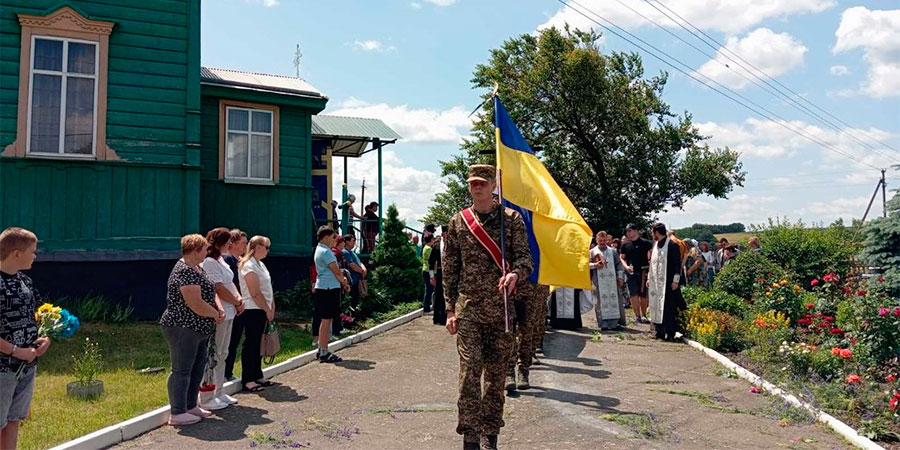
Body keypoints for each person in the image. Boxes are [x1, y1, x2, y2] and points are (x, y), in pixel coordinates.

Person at [442, 164, 533, 450]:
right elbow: (450, 268)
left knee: (495, 379)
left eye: (483, 182)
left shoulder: (511, 220)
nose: (477, 187)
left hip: (501, 311)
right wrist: (449, 310)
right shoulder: (459, 221)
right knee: (469, 374)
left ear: (495, 185)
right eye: (473, 183)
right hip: (469, 310)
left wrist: (515, 274)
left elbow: (526, 260)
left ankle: (490, 434)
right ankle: (470, 436)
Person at [160, 234, 223, 426]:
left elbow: (211, 290)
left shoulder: (197, 268)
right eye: (204, 249)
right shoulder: (184, 271)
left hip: (199, 327)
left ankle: (190, 405)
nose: (207, 252)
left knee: (197, 368)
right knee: (182, 369)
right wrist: (214, 314)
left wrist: (218, 308)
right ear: (195, 250)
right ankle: (178, 412)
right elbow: (195, 303)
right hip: (183, 327)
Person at [1, 228, 51, 448]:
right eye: (32, 251)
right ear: (16, 253)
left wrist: (45, 337)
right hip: (3, 367)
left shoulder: (25, 282)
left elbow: (38, 314)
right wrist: (16, 351)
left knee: (14, 420)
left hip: (27, 366)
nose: (35, 256)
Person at [199, 228, 244, 411]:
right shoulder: (210, 262)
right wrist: (235, 301)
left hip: (230, 311)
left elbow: (230, 282)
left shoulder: (221, 260)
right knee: (214, 353)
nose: (230, 245)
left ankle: (219, 391)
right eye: (227, 242)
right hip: (219, 312)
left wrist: (239, 299)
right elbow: (217, 287)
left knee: (223, 352)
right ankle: (207, 394)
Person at [238, 235, 275, 392]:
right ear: (258, 247)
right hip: (253, 309)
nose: (268, 251)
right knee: (251, 344)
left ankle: (257, 374)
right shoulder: (249, 265)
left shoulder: (261, 264)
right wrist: (267, 308)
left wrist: (271, 306)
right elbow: (254, 292)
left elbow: (268, 288)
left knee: (259, 343)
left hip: (263, 308)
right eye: (266, 247)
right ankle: (248, 379)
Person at [313, 226, 351, 363]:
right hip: (329, 288)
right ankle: (324, 351)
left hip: (323, 286)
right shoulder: (326, 252)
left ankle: (321, 348)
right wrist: (345, 283)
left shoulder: (319, 249)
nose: (334, 240)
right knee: (327, 320)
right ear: (326, 237)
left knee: (325, 319)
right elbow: (336, 271)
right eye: (333, 237)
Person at [506, 280, 550, 392]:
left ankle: (523, 370)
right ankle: (509, 371)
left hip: (532, 292)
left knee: (527, 333)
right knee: (509, 332)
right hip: (509, 290)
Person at [647, 223, 687, 341]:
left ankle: (670, 332)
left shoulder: (672, 245)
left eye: (652, 232)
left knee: (669, 307)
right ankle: (659, 331)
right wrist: (649, 278)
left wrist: (676, 281)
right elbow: (652, 264)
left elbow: (677, 264)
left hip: (668, 282)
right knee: (657, 306)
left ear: (656, 232)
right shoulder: (655, 245)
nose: (652, 234)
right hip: (656, 283)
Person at [224, 229, 248, 382]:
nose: (246, 245)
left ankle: (229, 371)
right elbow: (231, 283)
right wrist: (237, 301)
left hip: (242, 305)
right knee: (229, 341)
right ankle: (224, 373)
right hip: (232, 305)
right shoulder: (228, 260)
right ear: (233, 243)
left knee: (235, 340)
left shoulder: (241, 260)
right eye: (243, 242)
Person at [591, 231, 626, 330]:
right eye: (600, 240)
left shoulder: (612, 251)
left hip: (612, 281)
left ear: (607, 240)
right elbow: (586, 264)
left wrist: (620, 277)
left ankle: (615, 324)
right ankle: (603, 324)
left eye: (604, 240)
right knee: (599, 302)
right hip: (598, 282)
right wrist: (594, 265)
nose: (602, 242)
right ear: (597, 240)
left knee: (615, 301)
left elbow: (619, 264)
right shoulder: (592, 252)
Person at [620, 224, 653, 323]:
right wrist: (626, 267)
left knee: (643, 294)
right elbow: (622, 257)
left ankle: (644, 315)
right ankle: (637, 316)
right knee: (633, 293)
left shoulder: (647, 243)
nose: (628, 233)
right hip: (631, 272)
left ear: (636, 231)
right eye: (627, 231)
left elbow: (652, 256)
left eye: (630, 230)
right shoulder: (625, 245)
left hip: (643, 271)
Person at [342, 234, 367, 312]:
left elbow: (359, 262)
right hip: (352, 280)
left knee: (356, 299)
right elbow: (352, 265)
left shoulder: (352, 252)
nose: (354, 242)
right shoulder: (345, 252)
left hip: (356, 280)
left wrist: (363, 268)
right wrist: (361, 271)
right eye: (353, 241)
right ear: (347, 241)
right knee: (352, 300)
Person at [429, 229, 447, 326]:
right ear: (442, 234)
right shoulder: (437, 246)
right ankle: (437, 318)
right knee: (439, 294)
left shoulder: (453, 245)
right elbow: (431, 262)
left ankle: (446, 317)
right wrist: (432, 276)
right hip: (440, 272)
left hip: (450, 273)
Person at [421, 235, 435, 313]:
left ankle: (427, 307)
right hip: (428, 270)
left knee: (428, 289)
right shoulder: (429, 249)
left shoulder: (425, 248)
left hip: (425, 269)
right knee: (429, 290)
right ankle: (426, 308)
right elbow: (432, 260)